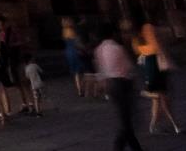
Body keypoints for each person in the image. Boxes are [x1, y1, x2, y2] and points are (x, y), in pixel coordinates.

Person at [94, 23, 143, 151]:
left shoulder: (99, 49)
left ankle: (136, 147)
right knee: (126, 120)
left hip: (111, 85)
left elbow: (101, 69)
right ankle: (118, 147)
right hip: (122, 84)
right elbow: (128, 67)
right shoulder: (117, 48)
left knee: (124, 118)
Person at [133, 13, 178, 134]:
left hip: (147, 63)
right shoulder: (148, 27)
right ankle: (175, 125)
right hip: (156, 62)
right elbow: (157, 46)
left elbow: (137, 50)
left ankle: (154, 125)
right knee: (164, 96)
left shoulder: (136, 34)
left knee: (158, 98)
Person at [62, 17, 92, 99]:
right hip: (75, 51)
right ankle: (85, 88)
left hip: (69, 52)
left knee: (76, 73)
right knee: (83, 70)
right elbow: (76, 41)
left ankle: (80, 90)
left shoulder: (64, 31)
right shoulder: (72, 31)